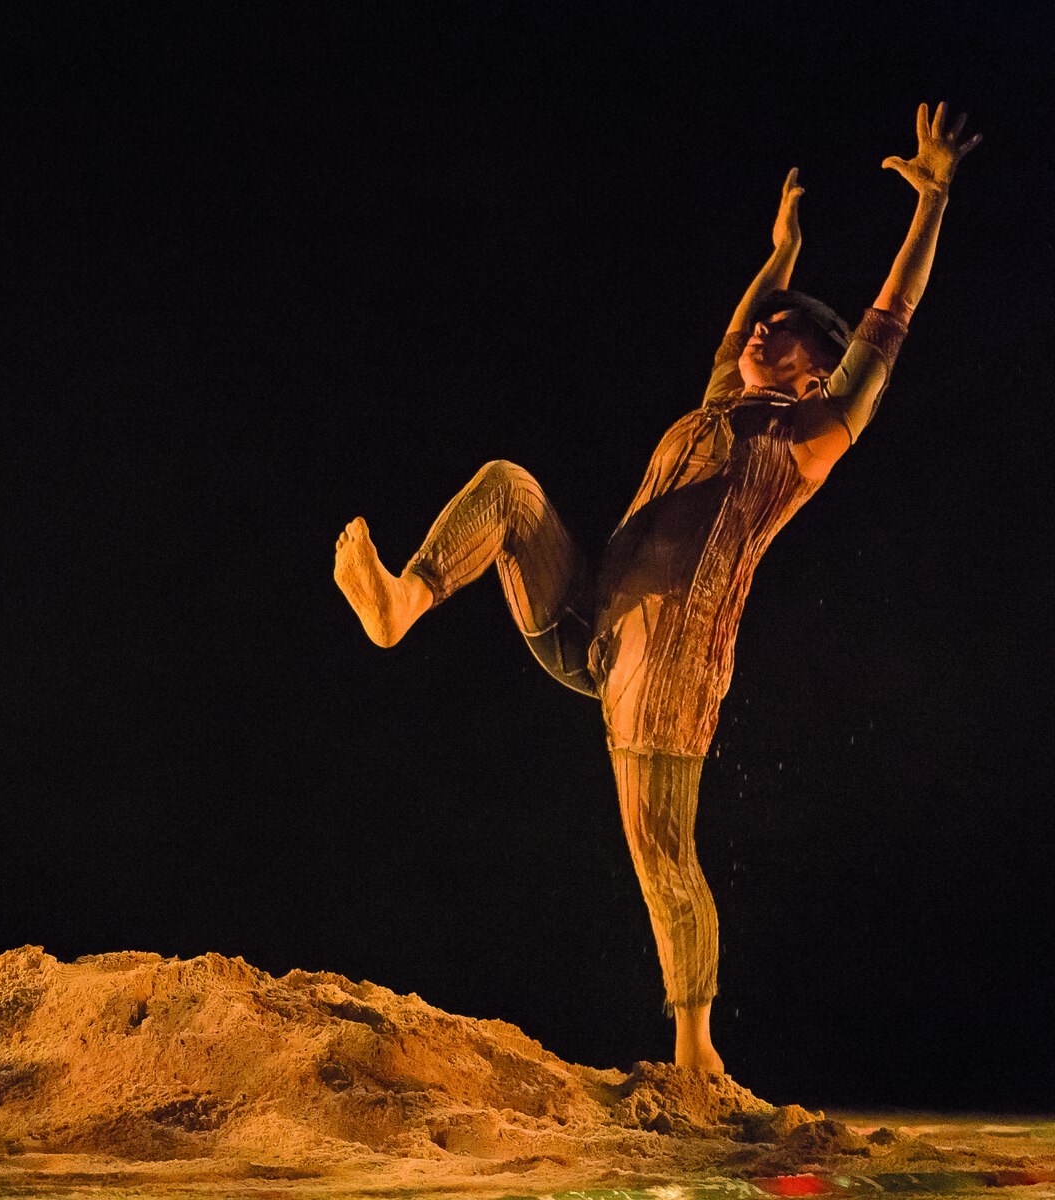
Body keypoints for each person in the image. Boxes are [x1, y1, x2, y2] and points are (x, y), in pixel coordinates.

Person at [332, 104, 979, 1073]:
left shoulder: (805, 441)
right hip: (588, 614)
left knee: (658, 853)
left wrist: (930, 204)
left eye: (789, 332)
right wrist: (780, 254)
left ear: (815, 379)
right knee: (510, 487)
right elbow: (738, 320)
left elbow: (886, 332)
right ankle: (401, 603)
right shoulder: (723, 400)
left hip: (670, 659)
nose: (765, 329)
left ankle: (696, 1053)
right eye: (767, 323)